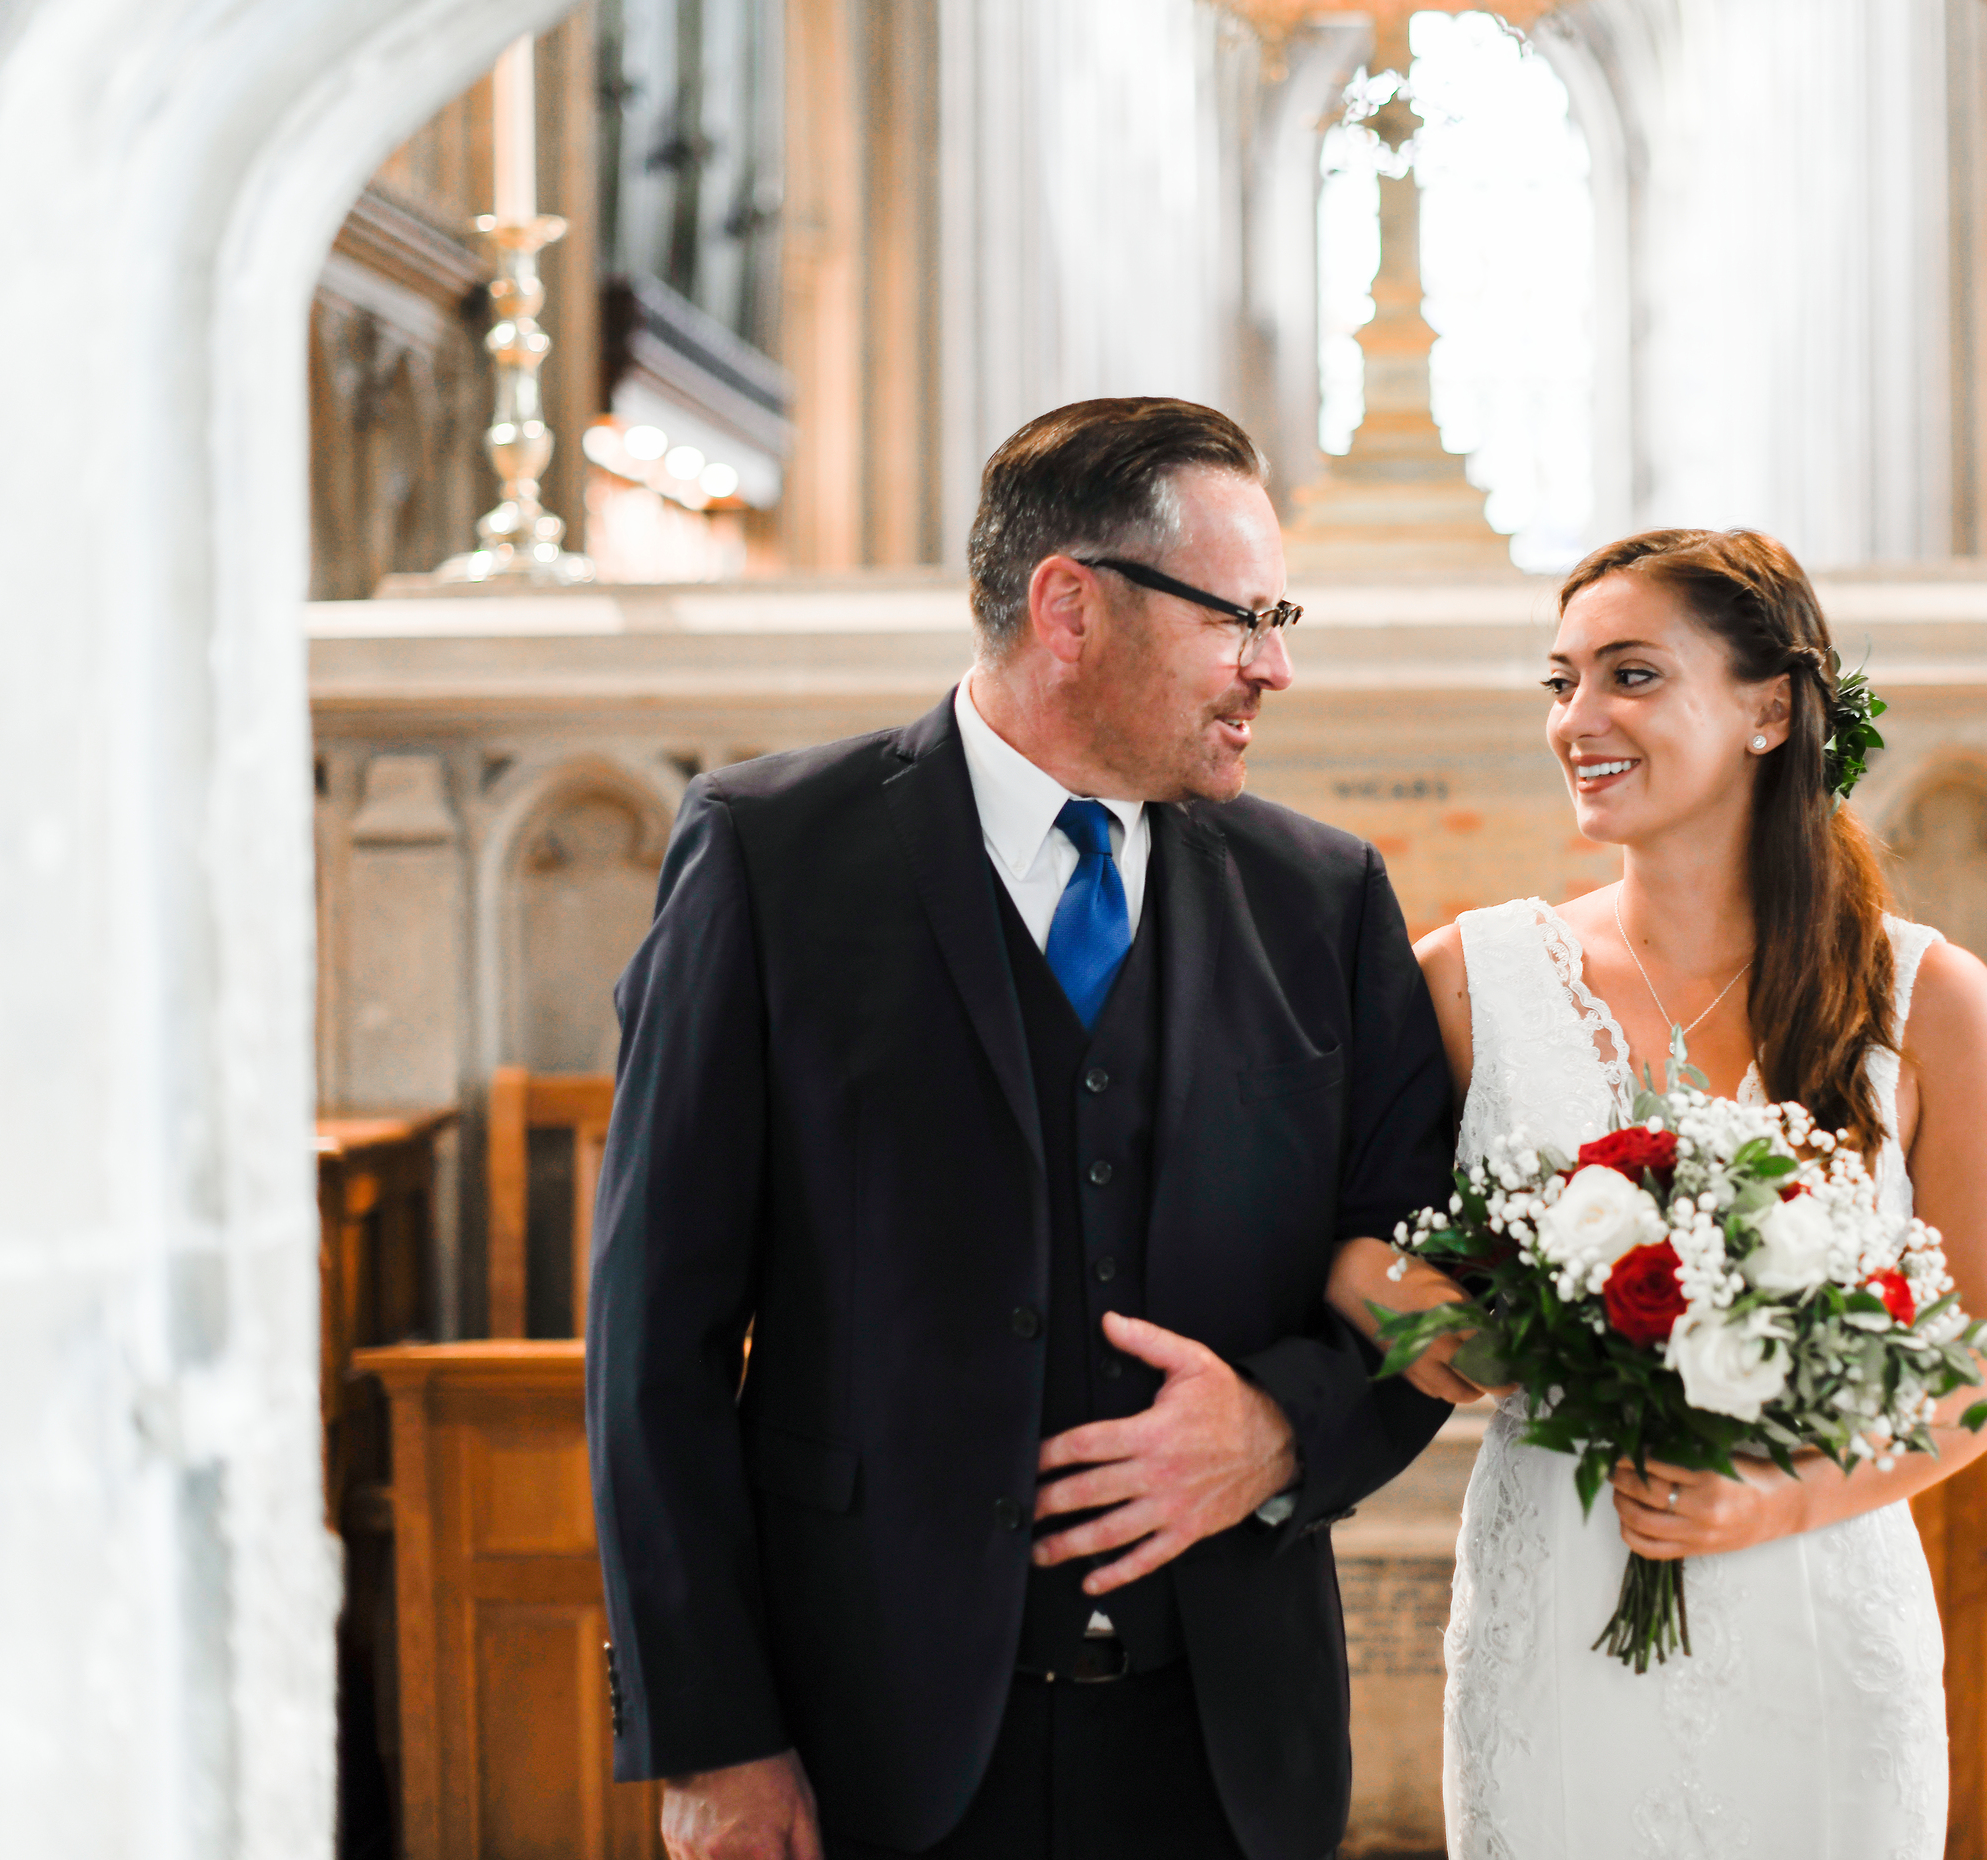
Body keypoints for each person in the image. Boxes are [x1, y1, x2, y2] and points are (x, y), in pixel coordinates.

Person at [587, 398, 1457, 1860]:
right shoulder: (770, 858)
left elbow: (1439, 1272)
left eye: (1280, 616)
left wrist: (1278, 1434)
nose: (1275, 667)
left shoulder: (1325, 898)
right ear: (1070, 605)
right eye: (1241, 617)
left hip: (1228, 1753)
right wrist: (716, 1736)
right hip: (872, 1745)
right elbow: (653, 1342)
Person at [1327, 528, 1987, 1857]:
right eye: (1560, 681)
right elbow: (1349, 1244)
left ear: (1770, 709)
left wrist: (1785, 1496)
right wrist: (1451, 1324)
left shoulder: (1929, 997)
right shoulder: (1471, 978)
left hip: (1821, 1602)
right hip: (1562, 1598)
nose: (1577, 721)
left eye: (1630, 676)